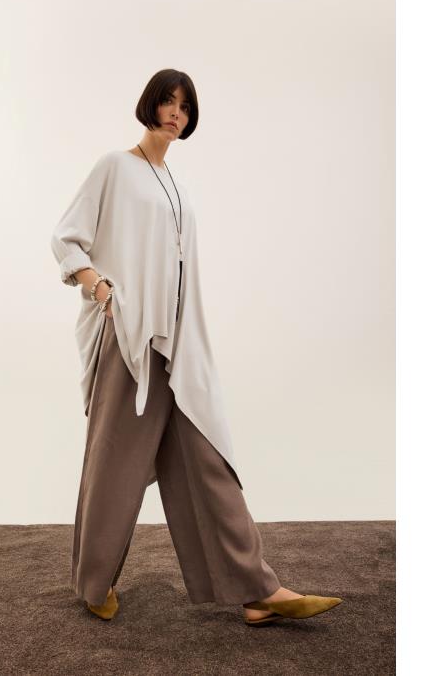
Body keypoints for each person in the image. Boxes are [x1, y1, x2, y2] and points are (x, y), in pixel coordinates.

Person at [51, 69, 343, 626]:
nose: (175, 113)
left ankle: (258, 590)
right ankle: (93, 584)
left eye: (184, 106)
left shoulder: (177, 184)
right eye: (168, 101)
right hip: (131, 338)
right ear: (150, 104)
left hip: (178, 344)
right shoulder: (115, 167)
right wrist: (101, 288)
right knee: (115, 461)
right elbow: (66, 238)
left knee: (208, 458)